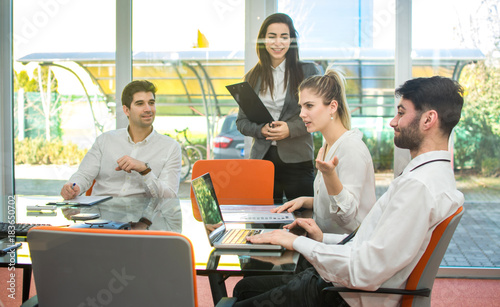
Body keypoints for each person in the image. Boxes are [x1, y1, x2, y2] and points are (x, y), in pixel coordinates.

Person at [232, 76, 465, 307]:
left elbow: (366, 268)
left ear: (428, 120)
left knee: (240, 296)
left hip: (345, 294)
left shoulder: (419, 187)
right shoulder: (429, 176)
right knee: (244, 289)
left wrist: (296, 243)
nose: (393, 122)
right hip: (345, 284)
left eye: (401, 113)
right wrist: (323, 239)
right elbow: (372, 244)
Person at [273, 68, 376, 234]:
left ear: (332, 106)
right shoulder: (327, 146)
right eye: (301, 107)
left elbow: (346, 214)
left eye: (309, 106)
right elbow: (335, 202)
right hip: (328, 244)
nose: (301, 114)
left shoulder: (351, 148)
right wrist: (306, 201)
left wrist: (329, 175)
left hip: (345, 250)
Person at [236, 13, 320, 203]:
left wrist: (290, 129)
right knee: (263, 220)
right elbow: (241, 122)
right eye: (272, 36)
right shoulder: (251, 77)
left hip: (297, 160)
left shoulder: (308, 72)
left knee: (302, 220)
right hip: (262, 161)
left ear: (291, 40)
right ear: (263, 40)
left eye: (284, 37)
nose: (278, 43)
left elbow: (317, 114)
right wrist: (260, 130)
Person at [60, 80, 182, 199]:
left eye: (151, 103)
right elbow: (83, 175)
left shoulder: (170, 147)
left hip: (143, 217)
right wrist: (72, 187)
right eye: (140, 104)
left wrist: (145, 171)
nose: (148, 109)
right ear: (126, 110)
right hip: (101, 215)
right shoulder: (105, 140)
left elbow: (169, 196)